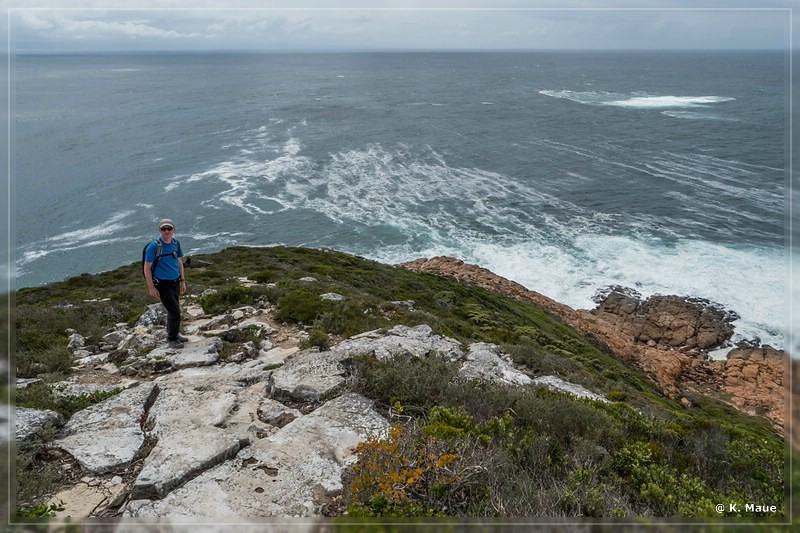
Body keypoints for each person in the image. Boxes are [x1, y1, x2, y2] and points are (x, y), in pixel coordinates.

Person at [144, 218, 188, 349]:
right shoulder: (154, 247)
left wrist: (182, 281)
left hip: (175, 282)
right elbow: (147, 268)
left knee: (173, 310)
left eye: (169, 229)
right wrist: (151, 287)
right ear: (160, 230)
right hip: (162, 284)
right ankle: (172, 339)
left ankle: (174, 334)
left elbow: (179, 262)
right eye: (164, 229)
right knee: (175, 311)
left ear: (174, 230)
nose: (167, 231)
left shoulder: (175, 243)